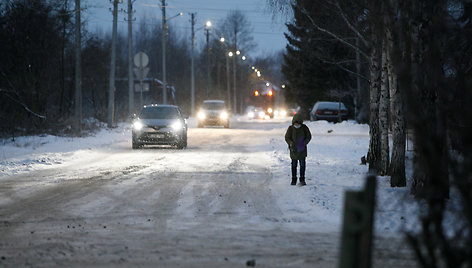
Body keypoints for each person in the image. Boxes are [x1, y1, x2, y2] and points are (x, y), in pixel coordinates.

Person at [285, 113, 312, 186]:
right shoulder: (290, 128)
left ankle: (302, 179)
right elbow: (287, 137)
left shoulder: (304, 128)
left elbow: (308, 136)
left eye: (298, 123)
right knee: (294, 165)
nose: (296, 125)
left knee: (302, 165)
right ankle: (294, 179)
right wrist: (290, 143)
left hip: (302, 149)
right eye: (295, 123)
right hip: (293, 150)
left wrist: (304, 143)